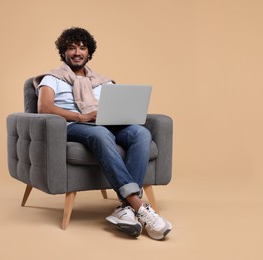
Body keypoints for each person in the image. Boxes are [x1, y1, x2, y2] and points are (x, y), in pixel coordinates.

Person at [33, 27, 172, 240]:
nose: (77, 52)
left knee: (141, 134)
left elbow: (116, 107)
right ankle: (138, 205)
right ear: (64, 52)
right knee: (100, 135)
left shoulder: (103, 81)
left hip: (106, 123)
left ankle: (125, 210)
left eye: (82, 47)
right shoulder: (52, 78)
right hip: (74, 125)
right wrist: (82, 117)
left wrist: (122, 116)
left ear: (89, 52)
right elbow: (44, 108)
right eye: (71, 48)